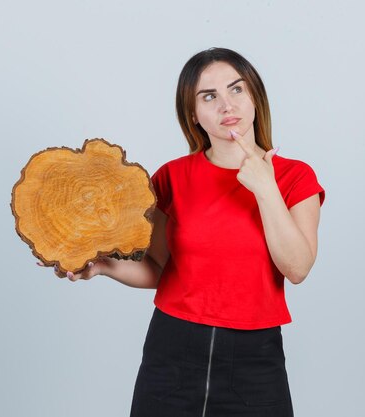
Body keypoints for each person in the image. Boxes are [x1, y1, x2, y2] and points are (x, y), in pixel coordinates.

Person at [38, 47, 325, 416]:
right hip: (172, 354)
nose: (226, 105)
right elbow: (159, 269)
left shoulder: (295, 177)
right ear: (194, 114)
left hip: (256, 362)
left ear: (254, 95)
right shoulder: (171, 178)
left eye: (236, 89)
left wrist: (265, 188)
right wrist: (104, 267)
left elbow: (297, 268)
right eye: (209, 96)